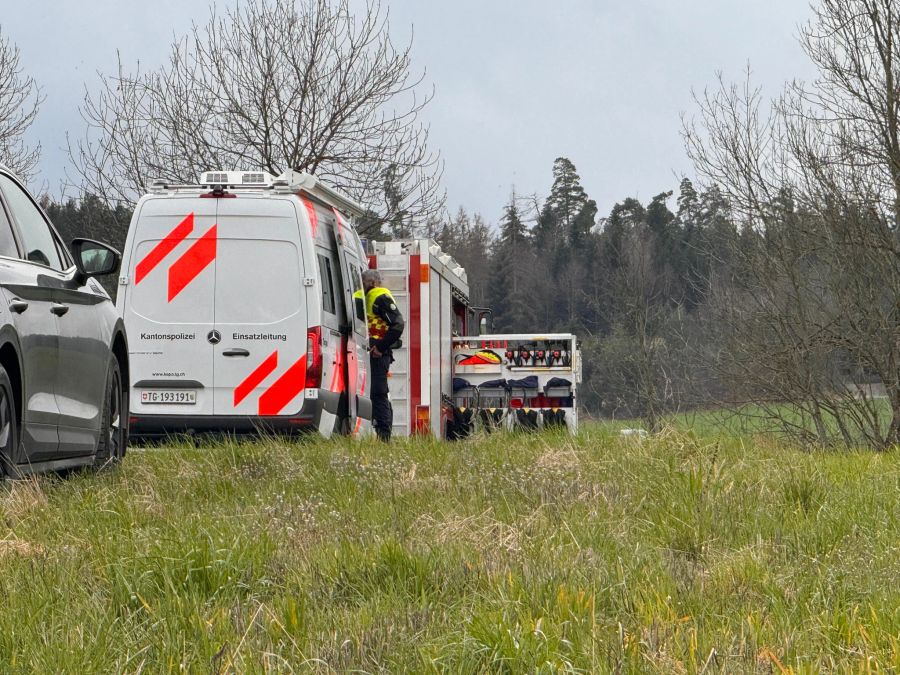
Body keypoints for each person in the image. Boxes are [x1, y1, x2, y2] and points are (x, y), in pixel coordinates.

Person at [361, 269, 405, 441]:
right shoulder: (366, 297)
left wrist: (380, 346)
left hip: (378, 355)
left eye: (364, 282)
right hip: (369, 353)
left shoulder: (380, 297)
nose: (362, 286)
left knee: (378, 393)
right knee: (372, 394)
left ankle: (384, 436)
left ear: (372, 283)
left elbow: (398, 324)